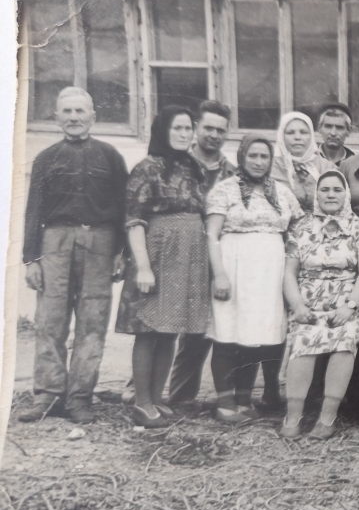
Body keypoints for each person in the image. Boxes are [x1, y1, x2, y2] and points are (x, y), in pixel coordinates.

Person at [20, 87, 128, 424]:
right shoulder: (45, 158)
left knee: (92, 322)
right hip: (55, 241)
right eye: (66, 111)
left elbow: (124, 208)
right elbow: (33, 210)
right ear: (56, 118)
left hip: (100, 242)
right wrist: (31, 259)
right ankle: (48, 396)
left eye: (80, 111)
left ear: (93, 117)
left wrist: (121, 252)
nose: (73, 117)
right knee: (49, 321)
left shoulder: (110, 156)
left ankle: (80, 398)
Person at [115, 106, 210, 428]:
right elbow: (134, 221)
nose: (184, 134)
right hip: (157, 254)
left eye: (188, 128)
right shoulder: (146, 168)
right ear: (162, 131)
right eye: (177, 128)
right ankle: (142, 403)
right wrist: (143, 266)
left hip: (187, 257)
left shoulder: (193, 167)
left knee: (169, 330)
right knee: (148, 330)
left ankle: (157, 397)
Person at [205, 134, 303, 424]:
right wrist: (219, 275)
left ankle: (244, 399)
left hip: (269, 272)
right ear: (242, 157)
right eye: (253, 156)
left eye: (264, 156)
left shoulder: (282, 192)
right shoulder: (225, 190)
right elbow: (211, 235)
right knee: (227, 332)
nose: (259, 162)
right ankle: (225, 403)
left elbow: (298, 229)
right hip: (234, 267)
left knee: (255, 337)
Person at [280, 171, 359, 439]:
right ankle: (293, 416)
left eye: (337, 189)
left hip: (345, 302)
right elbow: (289, 272)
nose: (331, 195)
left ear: (346, 194)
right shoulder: (300, 228)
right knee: (303, 344)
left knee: (344, 345)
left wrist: (350, 306)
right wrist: (297, 306)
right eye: (325, 190)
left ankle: (327, 417)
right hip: (307, 301)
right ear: (317, 194)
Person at [165, 100, 236, 407]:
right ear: (196, 128)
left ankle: (183, 398)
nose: (214, 135)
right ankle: (144, 391)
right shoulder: (174, 163)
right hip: (178, 254)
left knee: (204, 328)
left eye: (221, 130)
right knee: (166, 324)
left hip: (216, 257)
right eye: (208, 128)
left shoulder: (233, 173)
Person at [271, 111, 333, 212]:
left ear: (311, 136)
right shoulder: (271, 168)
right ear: (282, 136)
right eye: (290, 132)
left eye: (303, 132)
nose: (297, 137)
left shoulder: (327, 167)